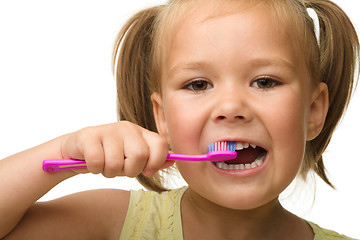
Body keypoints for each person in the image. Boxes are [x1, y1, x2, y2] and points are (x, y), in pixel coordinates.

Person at [0, 0, 359, 239]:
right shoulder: (113, 222)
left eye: (264, 81)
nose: (231, 107)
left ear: (313, 111)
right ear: (163, 118)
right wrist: (65, 150)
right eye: (198, 84)